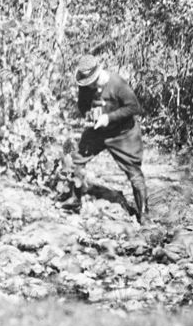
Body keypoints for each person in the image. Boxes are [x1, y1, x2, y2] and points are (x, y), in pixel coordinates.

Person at [60, 54, 149, 223]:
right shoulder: (85, 85)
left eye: (91, 82)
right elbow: (83, 105)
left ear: (98, 73)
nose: (89, 86)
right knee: (76, 159)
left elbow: (134, 107)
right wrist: (89, 115)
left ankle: (144, 214)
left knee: (134, 173)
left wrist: (108, 117)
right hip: (98, 131)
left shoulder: (117, 84)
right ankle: (75, 199)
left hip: (123, 133)